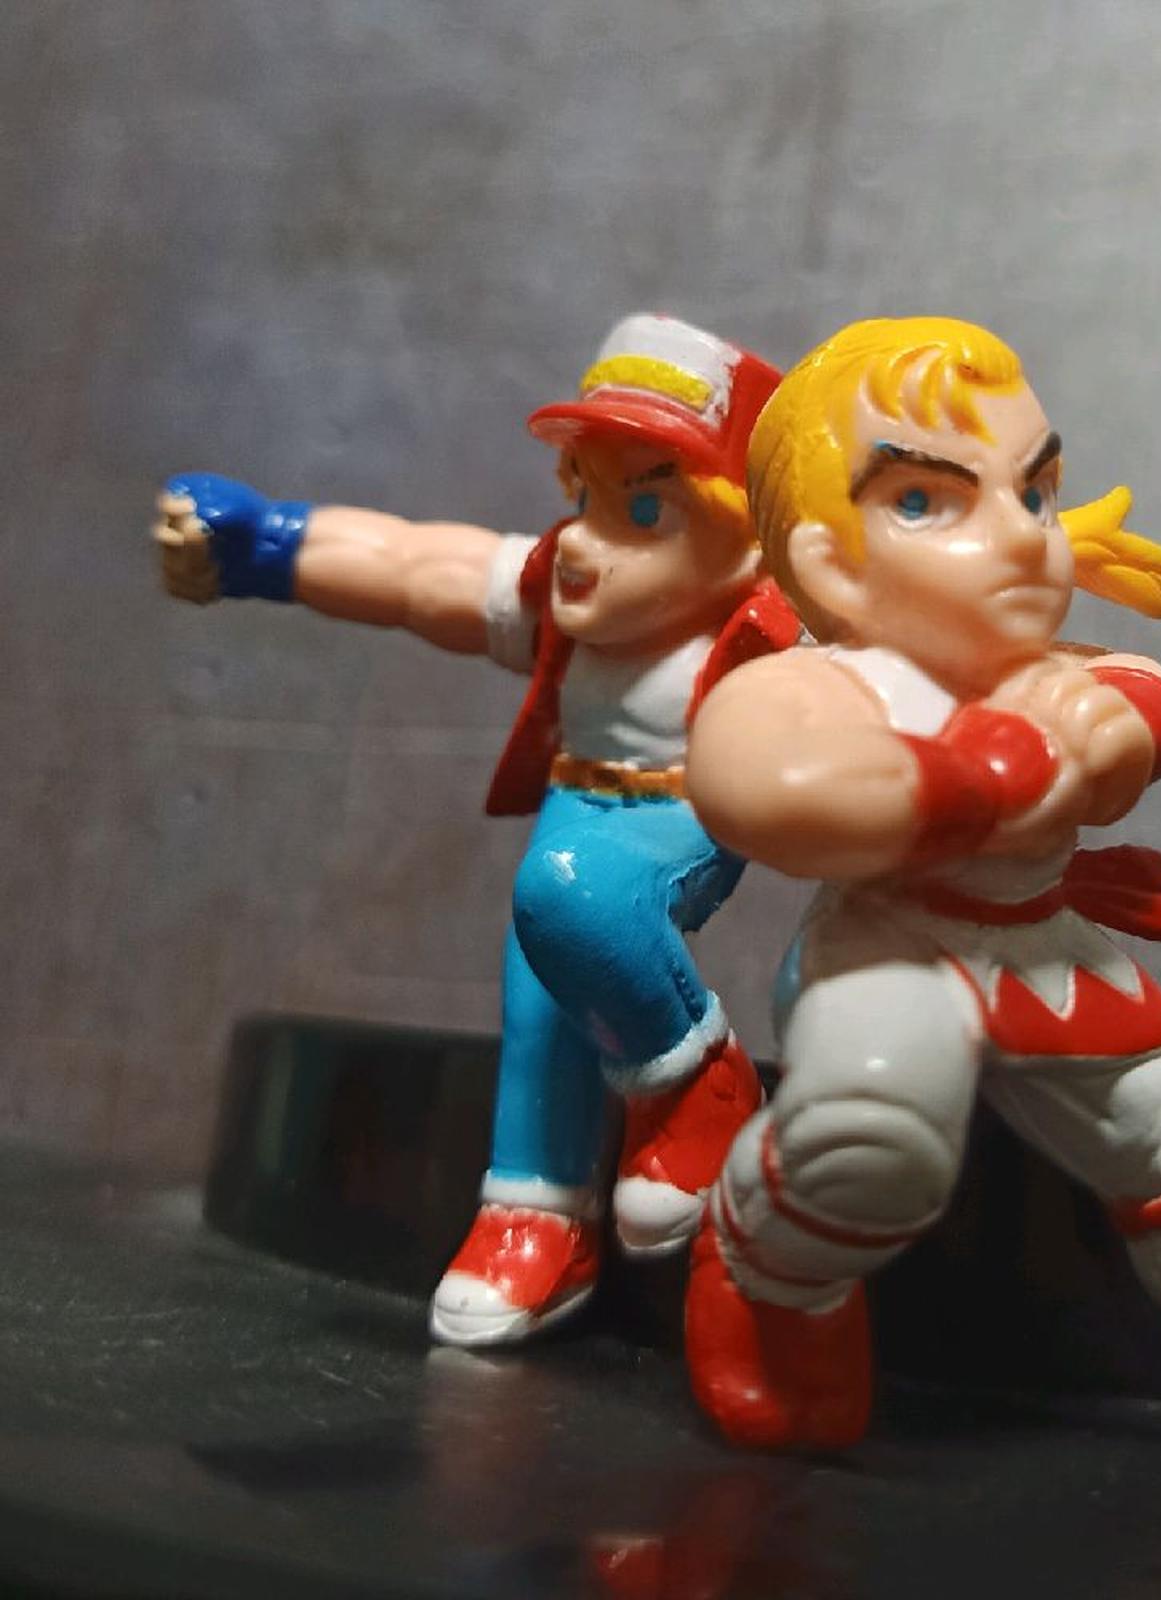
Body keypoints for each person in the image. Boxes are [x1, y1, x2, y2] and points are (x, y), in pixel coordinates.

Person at [682, 315, 1161, 1452]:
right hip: (894, 945)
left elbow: (1151, 697)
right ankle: (765, 1277)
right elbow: (755, 779)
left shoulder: (1051, 672)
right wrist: (953, 780)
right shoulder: (819, 683)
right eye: (926, 500)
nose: (1018, 536)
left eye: (1034, 493)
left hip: (1040, 945)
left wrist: (1117, 732)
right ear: (831, 561)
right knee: (872, 1132)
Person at [156, 313, 797, 1346]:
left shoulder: (765, 634)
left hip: (685, 815)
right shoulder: (560, 594)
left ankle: (696, 1087)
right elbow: (418, 567)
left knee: (576, 895)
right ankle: (536, 1218)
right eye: (584, 498)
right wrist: (267, 544)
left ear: (752, 543)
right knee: (540, 994)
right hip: (576, 807)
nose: (585, 539)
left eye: (645, 508)